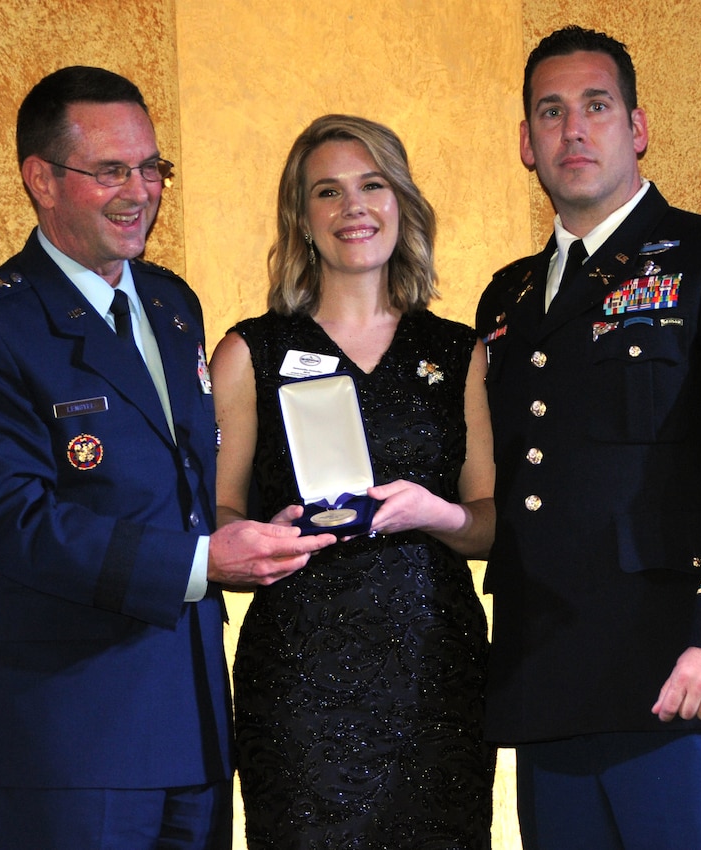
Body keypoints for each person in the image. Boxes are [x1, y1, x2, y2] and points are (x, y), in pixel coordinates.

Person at [0, 66, 333, 850]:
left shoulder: (173, 305)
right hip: (65, 740)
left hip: (194, 730)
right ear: (41, 179)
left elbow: (181, 486)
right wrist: (206, 561)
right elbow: (19, 524)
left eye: (151, 167)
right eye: (111, 170)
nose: (140, 190)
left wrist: (265, 524)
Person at [475, 25, 701, 849]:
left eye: (596, 106)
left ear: (636, 129)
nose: (574, 129)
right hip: (551, 690)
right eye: (551, 113)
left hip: (688, 679)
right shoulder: (508, 299)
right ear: (527, 143)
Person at [209, 114, 496, 849]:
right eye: (328, 193)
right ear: (302, 221)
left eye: (372, 185)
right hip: (300, 679)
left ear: (402, 201)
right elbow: (215, 513)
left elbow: (491, 520)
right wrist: (258, 538)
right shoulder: (251, 351)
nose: (353, 208)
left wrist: (437, 514)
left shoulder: (457, 352)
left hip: (436, 670)